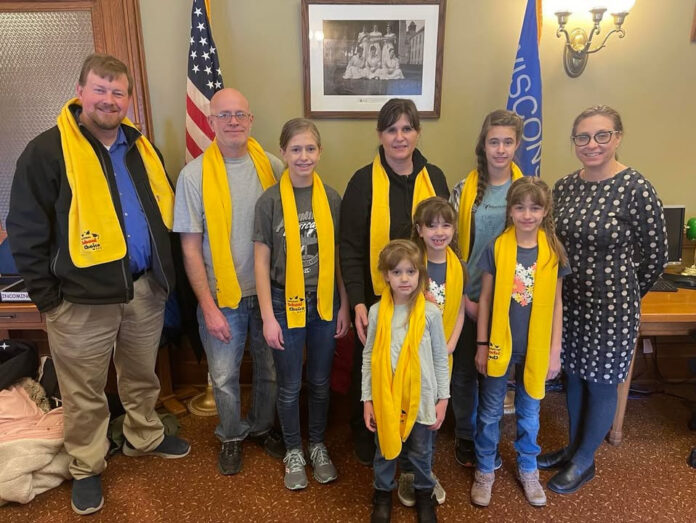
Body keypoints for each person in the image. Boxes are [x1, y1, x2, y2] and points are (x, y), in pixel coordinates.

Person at [6, 53, 189, 515]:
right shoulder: (48, 151)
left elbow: (158, 217)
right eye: (100, 89)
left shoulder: (140, 148)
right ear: (81, 91)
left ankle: (143, 436)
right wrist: (51, 302)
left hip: (143, 291)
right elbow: (26, 230)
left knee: (141, 376)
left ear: (128, 99)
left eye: (118, 92)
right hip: (79, 302)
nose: (109, 100)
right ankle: (87, 466)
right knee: (82, 390)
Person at [539, 105, 667, 494]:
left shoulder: (635, 187)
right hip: (570, 302)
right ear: (574, 142)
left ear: (618, 138)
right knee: (575, 376)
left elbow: (656, 254)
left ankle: (585, 460)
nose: (591, 144)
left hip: (613, 307)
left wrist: (626, 290)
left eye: (601, 135)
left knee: (602, 381)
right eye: (583, 137)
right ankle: (575, 448)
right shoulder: (563, 186)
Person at [174, 88, 284, 476]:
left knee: (270, 370)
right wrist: (207, 306)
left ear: (251, 120)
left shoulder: (273, 167)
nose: (233, 121)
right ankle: (232, 435)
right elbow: (189, 249)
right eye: (224, 115)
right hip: (223, 297)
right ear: (210, 122)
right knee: (223, 376)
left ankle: (262, 427)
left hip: (269, 295)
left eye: (240, 114)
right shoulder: (193, 176)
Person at [340, 98, 449, 466]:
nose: (400, 137)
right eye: (391, 129)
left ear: (417, 132)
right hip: (376, 298)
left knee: (418, 365)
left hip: (422, 298)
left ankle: (415, 438)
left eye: (407, 128)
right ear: (380, 134)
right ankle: (369, 434)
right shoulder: (361, 182)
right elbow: (351, 248)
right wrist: (357, 301)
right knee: (373, 366)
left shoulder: (434, 178)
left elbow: (442, 241)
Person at [253, 118, 350, 490]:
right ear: (283, 153)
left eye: (310, 149)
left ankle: (317, 444)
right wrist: (267, 316)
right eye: (296, 149)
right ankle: (293, 448)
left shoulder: (332, 198)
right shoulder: (270, 201)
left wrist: (343, 303)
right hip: (282, 300)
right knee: (290, 384)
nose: (304, 156)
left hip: (324, 301)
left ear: (320, 152)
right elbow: (261, 261)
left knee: (320, 382)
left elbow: (339, 254)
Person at [470, 177, 570, 507]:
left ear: (545, 211)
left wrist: (555, 351)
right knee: (489, 412)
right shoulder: (497, 248)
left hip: (537, 346)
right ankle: (485, 468)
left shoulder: (553, 250)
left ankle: (528, 467)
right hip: (500, 343)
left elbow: (557, 304)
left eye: (535, 207)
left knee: (529, 413)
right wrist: (482, 344)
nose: (527, 214)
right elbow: (484, 299)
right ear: (510, 210)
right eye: (520, 207)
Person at [449, 109, 524, 468]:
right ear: (484, 144)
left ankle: (488, 434)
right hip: (471, 296)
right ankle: (465, 434)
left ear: (517, 145)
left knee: (497, 374)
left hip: (512, 302)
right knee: (464, 372)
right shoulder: (464, 189)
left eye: (508, 142)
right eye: (494, 141)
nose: (500, 149)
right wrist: (464, 298)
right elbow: (450, 247)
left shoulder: (525, 191)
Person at [362, 239, 449, 523]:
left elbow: (439, 358)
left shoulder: (432, 314)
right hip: (386, 398)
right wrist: (368, 400)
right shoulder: (377, 313)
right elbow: (368, 358)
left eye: (411, 272)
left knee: (422, 453)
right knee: (384, 452)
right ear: (385, 275)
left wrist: (443, 399)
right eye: (397, 272)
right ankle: (383, 494)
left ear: (420, 276)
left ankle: (424, 495)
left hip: (423, 400)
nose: (404, 278)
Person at [394, 196, 464, 507]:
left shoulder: (457, 265)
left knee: (433, 416)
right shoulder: (411, 264)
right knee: (410, 412)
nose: (439, 232)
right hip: (411, 355)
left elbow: (460, 306)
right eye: (431, 225)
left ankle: (425, 469)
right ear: (419, 230)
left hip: (441, 356)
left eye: (446, 225)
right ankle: (409, 471)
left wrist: (451, 342)